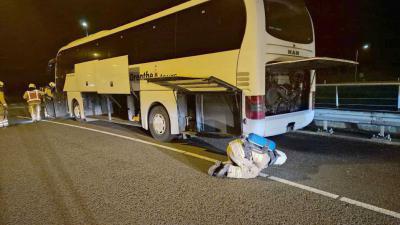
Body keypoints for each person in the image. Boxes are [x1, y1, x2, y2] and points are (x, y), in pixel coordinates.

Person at [208, 133, 287, 179]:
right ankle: (228, 170)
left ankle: (221, 165)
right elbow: (255, 167)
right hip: (238, 152)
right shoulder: (266, 160)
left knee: (243, 163)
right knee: (253, 172)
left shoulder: (266, 148)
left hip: (232, 146)